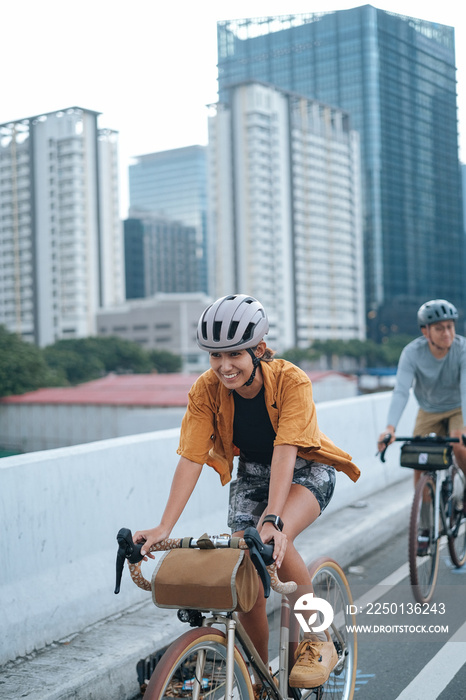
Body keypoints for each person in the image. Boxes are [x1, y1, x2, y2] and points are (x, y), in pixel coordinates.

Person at [134, 294, 360, 690]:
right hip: (253, 475)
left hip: (306, 470)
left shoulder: (292, 380)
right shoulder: (205, 390)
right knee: (244, 570)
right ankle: (259, 677)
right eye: (214, 356)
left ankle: (314, 638)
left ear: (258, 349)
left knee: (273, 539)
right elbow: (191, 458)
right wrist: (163, 527)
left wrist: (273, 518)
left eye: (234, 354)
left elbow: (286, 450)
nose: (224, 367)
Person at [377, 298, 466, 488]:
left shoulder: (462, 350)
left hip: (458, 408)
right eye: (439, 328)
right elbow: (401, 391)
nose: (447, 333)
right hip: (429, 410)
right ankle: (426, 515)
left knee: (460, 447)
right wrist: (390, 428)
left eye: (450, 327)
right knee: (420, 459)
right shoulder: (411, 353)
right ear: (426, 331)